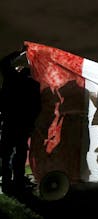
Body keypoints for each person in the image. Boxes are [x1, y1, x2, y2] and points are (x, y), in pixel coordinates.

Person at [0, 49, 41, 197]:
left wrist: (20, 52)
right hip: (24, 125)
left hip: (10, 122)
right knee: (20, 154)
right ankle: (18, 182)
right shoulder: (34, 86)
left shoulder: (12, 78)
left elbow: (3, 63)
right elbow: (37, 108)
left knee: (6, 154)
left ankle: (6, 183)